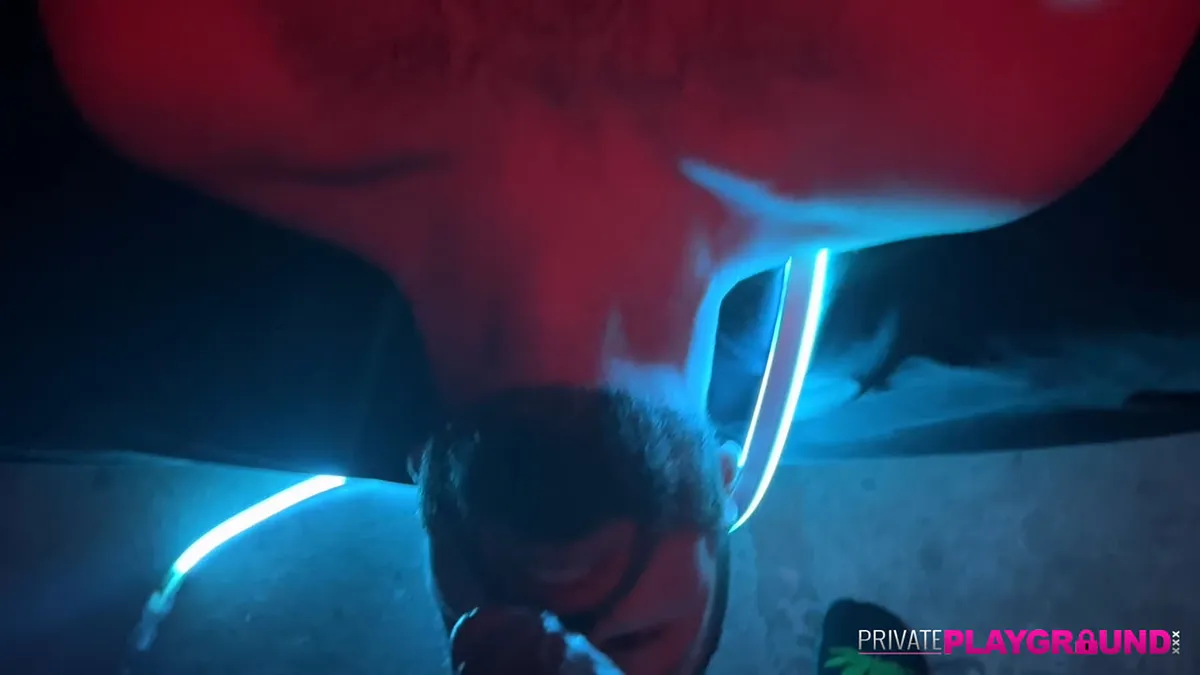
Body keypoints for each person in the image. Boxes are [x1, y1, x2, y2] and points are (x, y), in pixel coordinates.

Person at [33, 1, 1198, 672]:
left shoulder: (170, 73)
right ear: (730, 481)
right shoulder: (1002, 122)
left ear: (420, 488)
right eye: (632, 644)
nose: (565, 634)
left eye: (493, 635)